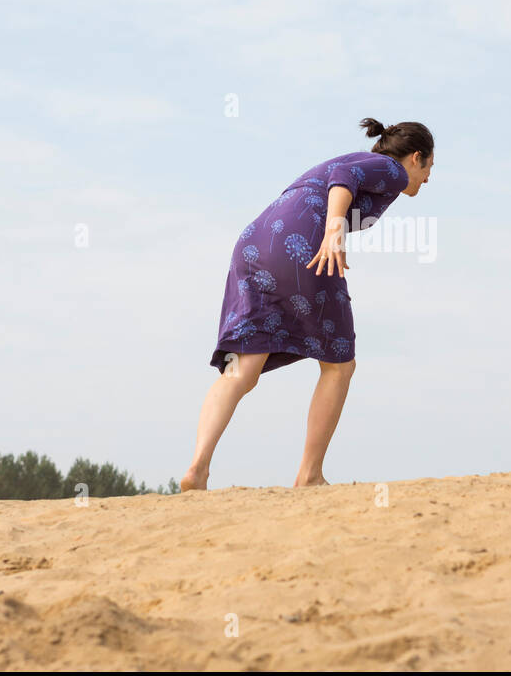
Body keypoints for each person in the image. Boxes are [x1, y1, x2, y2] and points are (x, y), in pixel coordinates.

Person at [182, 118, 435, 491]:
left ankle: (197, 468)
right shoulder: (392, 170)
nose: (427, 178)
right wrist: (334, 230)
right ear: (416, 157)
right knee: (339, 364)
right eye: (429, 167)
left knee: (243, 366)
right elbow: (343, 176)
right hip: (301, 246)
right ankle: (310, 474)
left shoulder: (368, 166)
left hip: (255, 244)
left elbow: (337, 176)